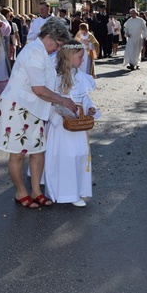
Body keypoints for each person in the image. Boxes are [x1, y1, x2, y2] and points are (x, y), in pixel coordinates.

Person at [0, 18, 77, 209]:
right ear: (50, 37)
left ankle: (36, 191)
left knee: (37, 151)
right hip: (17, 107)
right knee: (18, 154)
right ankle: (21, 192)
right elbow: (38, 89)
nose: (58, 49)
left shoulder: (42, 52)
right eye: (59, 44)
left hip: (35, 108)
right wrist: (63, 101)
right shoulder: (34, 52)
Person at [43, 40, 101, 207]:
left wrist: (91, 108)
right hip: (61, 127)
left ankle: (78, 190)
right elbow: (48, 101)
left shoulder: (81, 78)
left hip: (78, 125)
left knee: (80, 156)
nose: (83, 60)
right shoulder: (54, 78)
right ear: (69, 58)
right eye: (80, 57)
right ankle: (64, 193)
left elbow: (85, 99)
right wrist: (57, 118)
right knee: (65, 157)